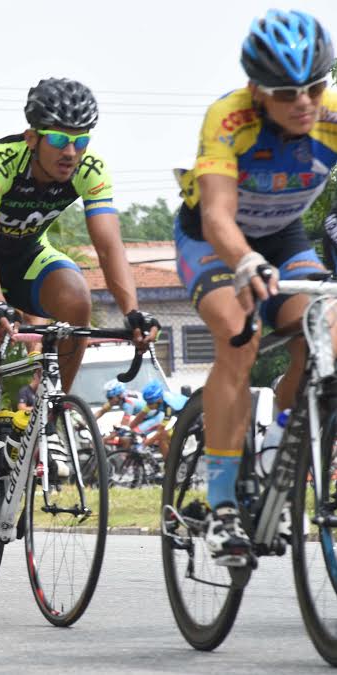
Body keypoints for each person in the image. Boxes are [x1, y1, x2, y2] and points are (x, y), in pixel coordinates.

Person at [0, 77, 158, 585]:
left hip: (28, 258)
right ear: (33, 136)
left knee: (77, 298)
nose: (72, 151)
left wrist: (132, 311)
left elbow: (109, 245)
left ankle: (43, 407)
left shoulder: (90, 169)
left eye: (83, 139)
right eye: (61, 139)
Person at [172, 9, 336, 564]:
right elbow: (218, 215)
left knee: (326, 333)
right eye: (287, 92)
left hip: (285, 235)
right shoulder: (229, 117)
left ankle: (276, 455)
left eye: (316, 85)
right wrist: (243, 262)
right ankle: (220, 506)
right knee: (239, 335)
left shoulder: (331, 114)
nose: (304, 102)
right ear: (256, 91)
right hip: (214, 240)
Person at [128, 381, 189, 457]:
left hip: (191, 417)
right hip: (182, 417)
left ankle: (170, 466)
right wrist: (128, 429)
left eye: (150, 403)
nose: (148, 405)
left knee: (162, 437)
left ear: (159, 401)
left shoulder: (168, 406)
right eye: (147, 402)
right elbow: (140, 416)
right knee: (160, 438)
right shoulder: (154, 401)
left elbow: (160, 430)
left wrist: (144, 444)